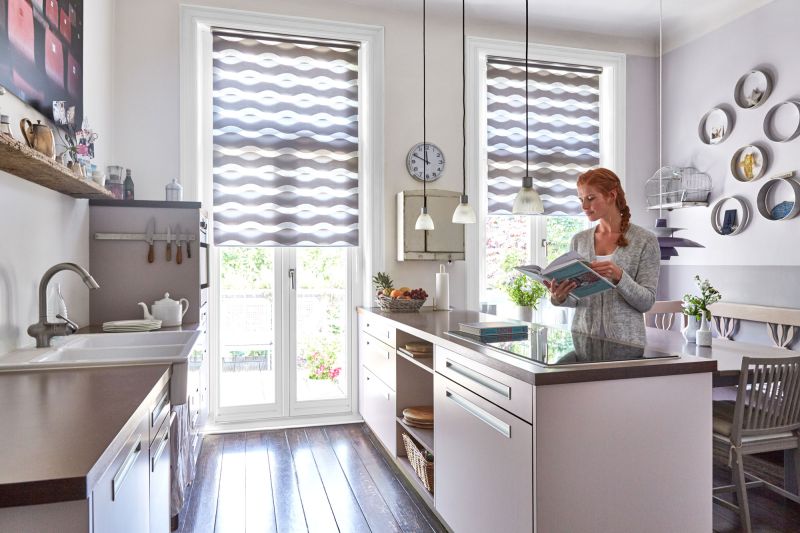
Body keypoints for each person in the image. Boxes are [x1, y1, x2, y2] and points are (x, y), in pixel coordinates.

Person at [547, 168, 659, 344]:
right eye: (581, 199)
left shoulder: (645, 241)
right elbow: (578, 301)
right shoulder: (579, 240)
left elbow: (646, 303)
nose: (584, 206)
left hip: (627, 346)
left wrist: (620, 277)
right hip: (582, 342)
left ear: (611, 195)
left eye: (591, 198)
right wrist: (559, 298)